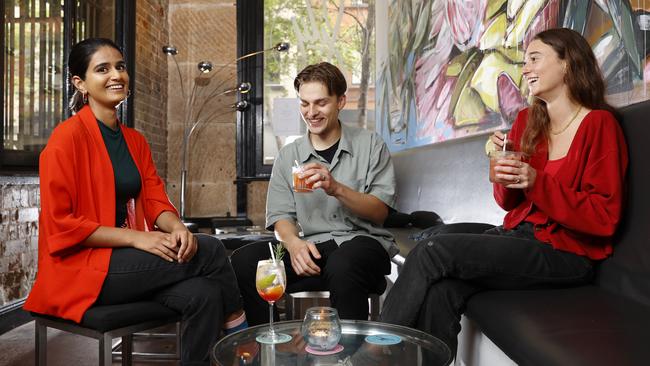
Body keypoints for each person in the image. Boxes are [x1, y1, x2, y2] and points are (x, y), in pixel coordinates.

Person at [379, 28, 629, 356]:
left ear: (567, 64)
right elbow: (508, 203)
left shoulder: (599, 124)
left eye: (534, 59)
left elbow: (604, 218)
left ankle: (375, 352)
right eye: (524, 61)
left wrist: (536, 181)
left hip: (567, 254)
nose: (525, 68)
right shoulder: (528, 121)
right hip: (518, 236)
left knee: (432, 251)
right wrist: (500, 170)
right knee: (443, 290)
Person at [23, 38, 246, 365]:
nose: (116, 75)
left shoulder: (134, 140)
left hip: (127, 264)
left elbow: (155, 198)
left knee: (205, 294)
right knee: (210, 249)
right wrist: (140, 238)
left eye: (120, 66)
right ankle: (245, 341)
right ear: (80, 83)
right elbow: (61, 225)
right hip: (82, 269)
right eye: (102, 69)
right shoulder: (66, 139)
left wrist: (177, 228)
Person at [231, 62, 398, 325]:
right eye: (304, 104)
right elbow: (280, 217)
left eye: (321, 103)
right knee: (246, 260)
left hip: (362, 244)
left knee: (344, 264)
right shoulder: (289, 155)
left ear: (341, 101)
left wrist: (336, 188)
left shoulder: (371, 145)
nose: (311, 112)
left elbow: (380, 212)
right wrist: (293, 244)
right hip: (311, 247)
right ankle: (267, 347)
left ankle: (348, 357)